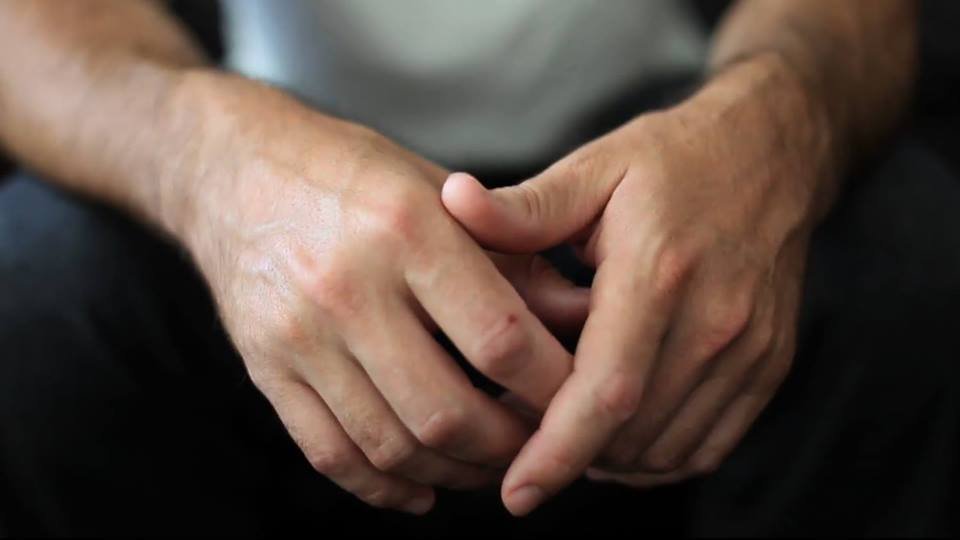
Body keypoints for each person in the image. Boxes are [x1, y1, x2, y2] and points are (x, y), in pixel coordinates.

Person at [1, 0, 957, 536]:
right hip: (275, 126)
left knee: (913, 255)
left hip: (672, 120)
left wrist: (775, 125)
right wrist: (211, 166)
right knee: (36, 289)